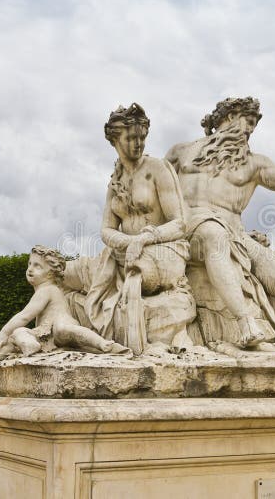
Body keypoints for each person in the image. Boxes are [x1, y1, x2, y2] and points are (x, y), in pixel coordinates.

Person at [166, 97, 275, 348]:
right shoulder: (180, 151)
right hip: (191, 230)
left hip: (236, 235)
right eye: (248, 122)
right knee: (214, 236)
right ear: (228, 117)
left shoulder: (254, 163)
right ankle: (245, 323)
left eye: (254, 125)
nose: (250, 130)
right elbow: (155, 191)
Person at [75, 103, 194, 354]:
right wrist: (129, 243)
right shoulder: (114, 182)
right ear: (114, 140)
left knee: (139, 271)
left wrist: (146, 238)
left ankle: (132, 340)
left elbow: (180, 223)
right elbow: (106, 230)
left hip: (165, 250)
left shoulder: (157, 169)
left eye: (142, 137)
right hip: (125, 251)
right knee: (72, 273)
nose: (138, 143)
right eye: (131, 138)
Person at [0, 245, 131, 359]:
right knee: (19, 332)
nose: (30, 269)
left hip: (61, 325)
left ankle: (101, 343)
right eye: (30, 263)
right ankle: (30, 345)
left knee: (63, 329)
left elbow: (25, 316)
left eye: (37, 266)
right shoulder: (43, 290)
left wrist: (3, 332)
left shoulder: (47, 290)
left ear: (51, 273)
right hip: (46, 334)